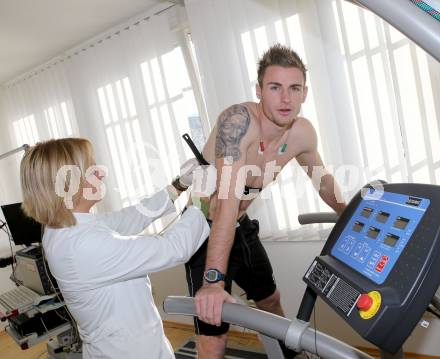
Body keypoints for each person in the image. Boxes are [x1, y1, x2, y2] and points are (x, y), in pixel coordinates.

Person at [183, 44, 347, 359]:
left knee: (270, 301)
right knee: (214, 335)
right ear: (259, 90)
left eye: (293, 88)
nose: (285, 98)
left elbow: (323, 181)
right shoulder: (238, 122)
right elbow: (226, 204)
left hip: (240, 226)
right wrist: (214, 280)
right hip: (204, 230)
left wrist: (348, 213)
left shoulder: (302, 133)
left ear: (304, 93)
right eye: (275, 87)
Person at [20, 137, 210, 359]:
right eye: (91, 169)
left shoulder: (66, 226)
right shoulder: (81, 245)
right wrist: (201, 199)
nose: (101, 173)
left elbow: (131, 217)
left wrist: (180, 185)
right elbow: (173, 249)